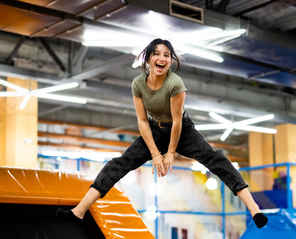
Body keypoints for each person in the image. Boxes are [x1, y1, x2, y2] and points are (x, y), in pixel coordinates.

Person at [57, 38, 268, 228]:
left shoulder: (175, 84)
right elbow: (141, 120)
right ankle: (79, 212)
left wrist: (170, 153)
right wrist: (156, 153)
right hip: (154, 129)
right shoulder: (138, 84)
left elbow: (177, 122)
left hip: (182, 130)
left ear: (171, 61)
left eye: (167, 55)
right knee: (119, 164)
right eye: (157, 54)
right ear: (148, 59)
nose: (162, 58)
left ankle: (254, 208)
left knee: (215, 158)